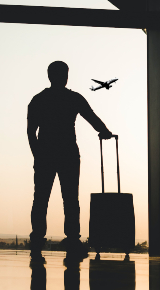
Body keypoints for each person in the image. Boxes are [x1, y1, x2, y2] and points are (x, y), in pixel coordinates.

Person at [27, 61, 113, 262]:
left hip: (45, 155)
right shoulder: (73, 98)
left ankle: (37, 240)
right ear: (65, 76)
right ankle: (73, 240)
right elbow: (91, 117)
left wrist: (37, 155)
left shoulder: (38, 100)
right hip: (68, 154)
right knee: (71, 200)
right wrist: (105, 131)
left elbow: (31, 132)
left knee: (40, 199)